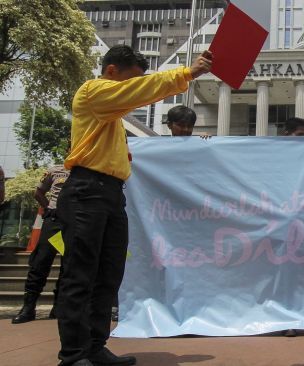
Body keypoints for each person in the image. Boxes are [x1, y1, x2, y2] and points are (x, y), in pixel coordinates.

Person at [55, 45, 212, 366]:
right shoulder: (93, 91)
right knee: (80, 275)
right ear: (111, 71)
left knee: (108, 275)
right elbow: (143, 89)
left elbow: (137, 93)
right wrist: (187, 73)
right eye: (129, 82)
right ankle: (72, 355)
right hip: (87, 190)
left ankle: (95, 347)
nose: (132, 91)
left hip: (110, 195)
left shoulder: (110, 119)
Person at [12, 165, 69, 324]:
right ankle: (28, 308)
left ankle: (58, 308)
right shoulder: (55, 170)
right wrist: (48, 208)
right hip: (54, 221)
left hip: (74, 223)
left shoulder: (87, 171)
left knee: (69, 266)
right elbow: (38, 192)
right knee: (40, 262)